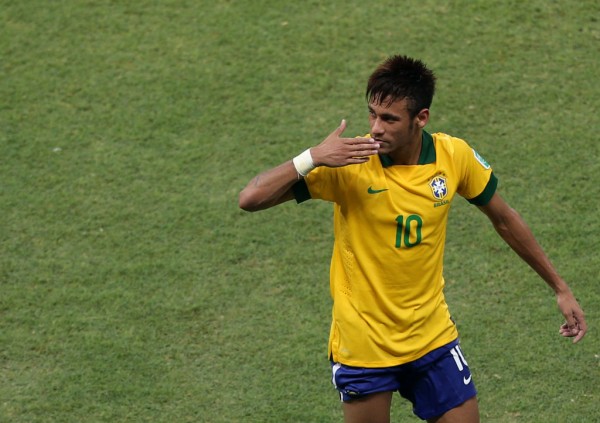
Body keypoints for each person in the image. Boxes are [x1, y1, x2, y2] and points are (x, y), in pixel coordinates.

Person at [238, 55, 586, 423]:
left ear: (421, 118)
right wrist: (313, 157)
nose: (375, 128)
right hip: (363, 344)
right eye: (371, 114)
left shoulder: (454, 156)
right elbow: (250, 199)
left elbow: (505, 218)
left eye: (389, 119)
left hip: (431, 336)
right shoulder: (348, 163)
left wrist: (560, 287)